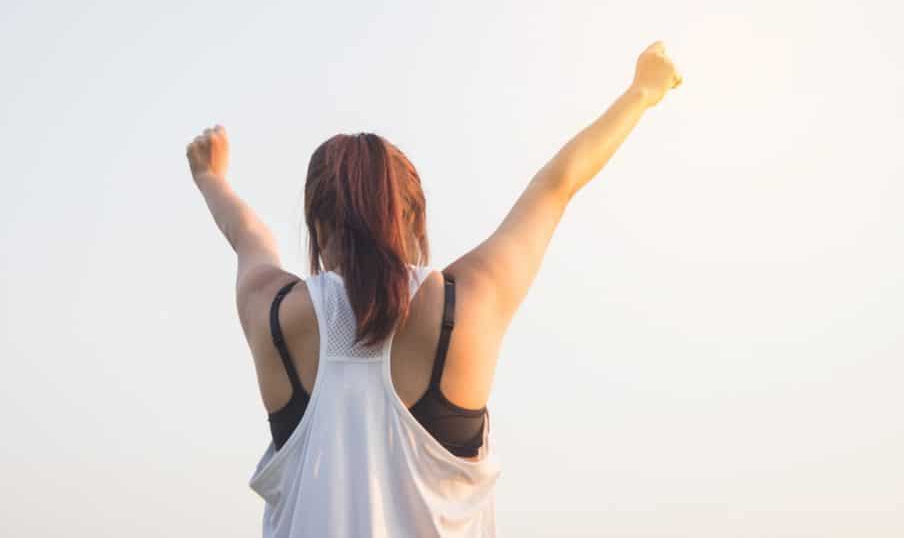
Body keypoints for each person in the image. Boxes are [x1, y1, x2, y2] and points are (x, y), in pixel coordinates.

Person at [185, 41, 683, 537]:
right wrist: (642, 91)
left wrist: (211, 177)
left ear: (315, 226)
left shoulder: (274, 318)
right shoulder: (466, 305)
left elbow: (248, 235)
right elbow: (556, 184)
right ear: (415, 218)